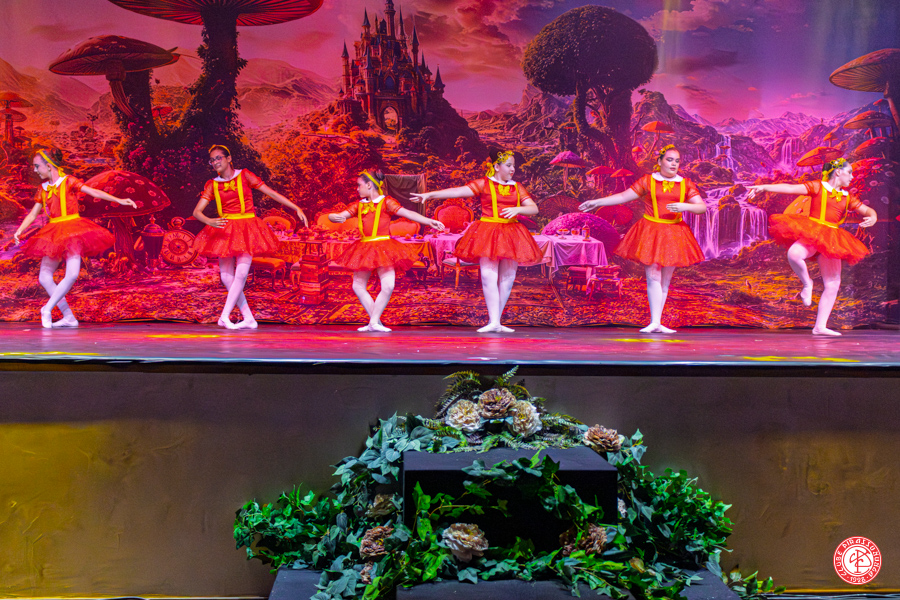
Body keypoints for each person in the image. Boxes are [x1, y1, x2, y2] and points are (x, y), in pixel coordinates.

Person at [579, 145, 706, 333]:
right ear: (660, 161)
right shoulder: (648, 181)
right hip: (651, 230)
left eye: (677, 161)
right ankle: (654, 322)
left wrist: (685, 206)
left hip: (674, 232)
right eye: (669, 160)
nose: (674, 164)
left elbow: (701, 207)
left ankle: (658, 322)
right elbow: (624, 196)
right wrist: (597, 202)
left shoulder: (686, 184)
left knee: (665, 280)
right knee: (653, 274)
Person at [411, 149, 541, 333]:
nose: (513, 169)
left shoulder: (517, 187)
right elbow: (457, 191)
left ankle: (496, 321)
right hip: (488, 231)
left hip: (511, 232)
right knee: (488, 276)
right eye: (509, 165)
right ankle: (494, 321)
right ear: (497, 167)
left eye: (514, 166)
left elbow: (533, 208)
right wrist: (430, 195)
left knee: (508, 277)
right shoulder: (484, 184)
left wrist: (518, 209)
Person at [748, 158, 876, 336]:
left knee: (833, 283)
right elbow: (791, 189)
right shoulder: (818, 187)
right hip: (813, 231)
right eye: (849, 172)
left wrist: (873, 216)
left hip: (832, 238)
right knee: (794, 254)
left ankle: (820, 326)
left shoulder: (848, 197)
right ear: (838, 172)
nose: (852, 177)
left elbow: (867, 210)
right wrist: (764, 187)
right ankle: (807, 284)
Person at [14, 149, 137, 328]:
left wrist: (119, 200)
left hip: (72, 230)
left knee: (72, 274)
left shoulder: (69, 181)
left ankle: (47, 309)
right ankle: (69, 317)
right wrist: (19, 230)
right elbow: (33, 214)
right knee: (44, 277)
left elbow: (94, 192)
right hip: (54, 232)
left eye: (37, 166)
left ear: (48, 165)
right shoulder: (43, 189)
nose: (35, 170)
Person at [192, 145, 308, 329]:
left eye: (218, 158)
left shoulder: (244, 175)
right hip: (225, 229)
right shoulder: (212, 184)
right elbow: (197, 212)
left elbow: (271, 192)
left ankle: (224, 316)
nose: (215, 162)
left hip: (247, 227)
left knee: (241, 273)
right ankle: (249, 318)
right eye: (212, 160)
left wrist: (296, 207)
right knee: (226, 276)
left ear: (229, 158)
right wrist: (209, 221)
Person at [329, 170, 445, 332]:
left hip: (384, 247)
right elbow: (337, 216)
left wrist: (428, 221)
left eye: (359, 185)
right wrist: (334, 217)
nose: (357, 188)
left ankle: (373, 322)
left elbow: (407, 213)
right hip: (364, 248)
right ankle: (374, 322)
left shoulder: (387, 202)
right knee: (358, 286)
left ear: (369, 185)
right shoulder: (358, 205)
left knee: (388, 286)